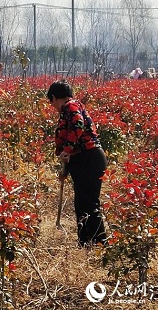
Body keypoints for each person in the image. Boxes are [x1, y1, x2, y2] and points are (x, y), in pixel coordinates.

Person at [46, 80, 107, 247]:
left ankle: (100, 244)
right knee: (81, 202)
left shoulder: (70, 106)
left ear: (54, 98)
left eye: (51, 102)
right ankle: (85, 243)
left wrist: (67, 148)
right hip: (83, 159)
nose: (52, 106)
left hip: (89, 158)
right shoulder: (72, 107)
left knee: (89, 202)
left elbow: (78, 126)